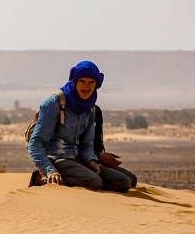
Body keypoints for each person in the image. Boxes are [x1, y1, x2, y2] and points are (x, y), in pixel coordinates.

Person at [27, 61, 132, 192]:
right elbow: (35, 143)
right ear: (74, 81)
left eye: (91, 82)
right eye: (82, 81)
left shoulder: (90, 108)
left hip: (78, 159)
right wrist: (49, 170)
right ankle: (41, 179)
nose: (86, 87)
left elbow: (86, 145)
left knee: (124, 182)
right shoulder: (54, 103)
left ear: (96, 85)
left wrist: (91, 161)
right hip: (56, 159)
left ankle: (81, 177)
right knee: (94, 181)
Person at [93, 105, 138, 189]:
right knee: (124, 182)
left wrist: (100, 157)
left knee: (132, 179)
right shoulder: (70, 109)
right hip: (81, 160)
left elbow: (97, 143)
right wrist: (98, 155)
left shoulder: (95, 110)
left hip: (94, 159)